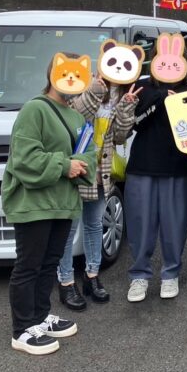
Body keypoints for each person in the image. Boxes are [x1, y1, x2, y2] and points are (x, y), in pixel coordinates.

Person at [3, 53, 97, 355]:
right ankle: (22, 329)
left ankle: (40, 317)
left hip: (62, 202)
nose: (72, 81)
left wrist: (78, 164)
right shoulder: (35, 109)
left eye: (78, 75)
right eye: (66, 74)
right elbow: (24, 158)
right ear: (53, 74)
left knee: (48, 264)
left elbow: (89, 155)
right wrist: (64, 165)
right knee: (28, 265)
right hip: (34, 202)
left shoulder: (75, 115)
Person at [56, 76, 141, 310]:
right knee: (69, 228)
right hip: (77, 168)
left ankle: (92, 275)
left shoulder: (123, 93)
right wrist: (94, 91)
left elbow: (122, 136)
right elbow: (76, 118)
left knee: (94, 223)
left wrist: (126, 107)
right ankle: (66, 280)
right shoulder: (85, 86)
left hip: (101, 171)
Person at [124, 51, 187, 303]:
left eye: (175, 61)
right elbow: (134, 123)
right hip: (142, 165)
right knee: (139, 224)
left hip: (178, 167)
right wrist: (159, 99)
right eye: (163, 60)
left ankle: (171, 274)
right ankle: (139, 276)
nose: (169, 65)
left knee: (174, 224)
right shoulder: (142, 87)